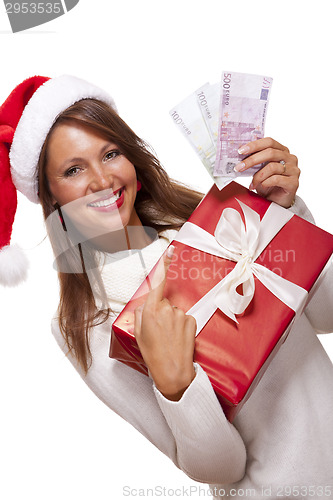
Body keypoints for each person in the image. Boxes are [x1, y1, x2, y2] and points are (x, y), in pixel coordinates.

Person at [0, 75, 332, 499]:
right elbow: (223, 468)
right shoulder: (86, 328)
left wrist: (287, 214)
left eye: (111, 153)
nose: (102, 181)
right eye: (73, 169)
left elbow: (327, 315)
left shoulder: (214, 218)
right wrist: (176, 385)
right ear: (52, 196)